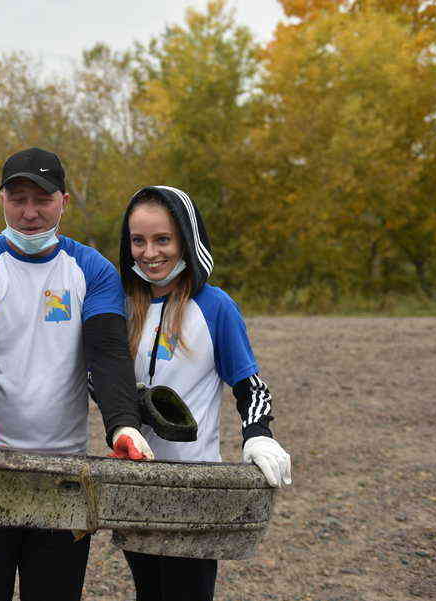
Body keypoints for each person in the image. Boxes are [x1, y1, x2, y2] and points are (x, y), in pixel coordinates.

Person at [0, 147, 153, 601]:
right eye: (18, 199)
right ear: (1, 200)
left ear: (64, 201)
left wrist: (123, 425)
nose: (30, 212)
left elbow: (108, 353)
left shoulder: (92, 270)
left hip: (66, 474)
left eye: (42, 199)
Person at [117, 185, 293, 601]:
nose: (149, 252)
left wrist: (258, 435)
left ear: (186, 240)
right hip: (132, 483)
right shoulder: (121, 305)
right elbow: (97, 375)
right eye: (138, 241)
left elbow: (249, 385)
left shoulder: (215, 306)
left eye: (163, 239)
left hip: (195, 486)